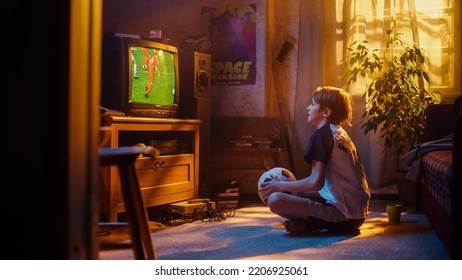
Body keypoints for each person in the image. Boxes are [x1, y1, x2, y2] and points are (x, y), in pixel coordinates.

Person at [258, 86, 370, 234]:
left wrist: (279, 186)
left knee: (275, 199)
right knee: (295, 191)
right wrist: (287, 184)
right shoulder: (339, 134)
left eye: (312, 104)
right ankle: (308, 224)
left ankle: (311, 224)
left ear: (326, 112)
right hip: (356, 213)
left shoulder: (322, 136)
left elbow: (315, 183)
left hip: (344, 216)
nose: (308, 108)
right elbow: (325, 186)